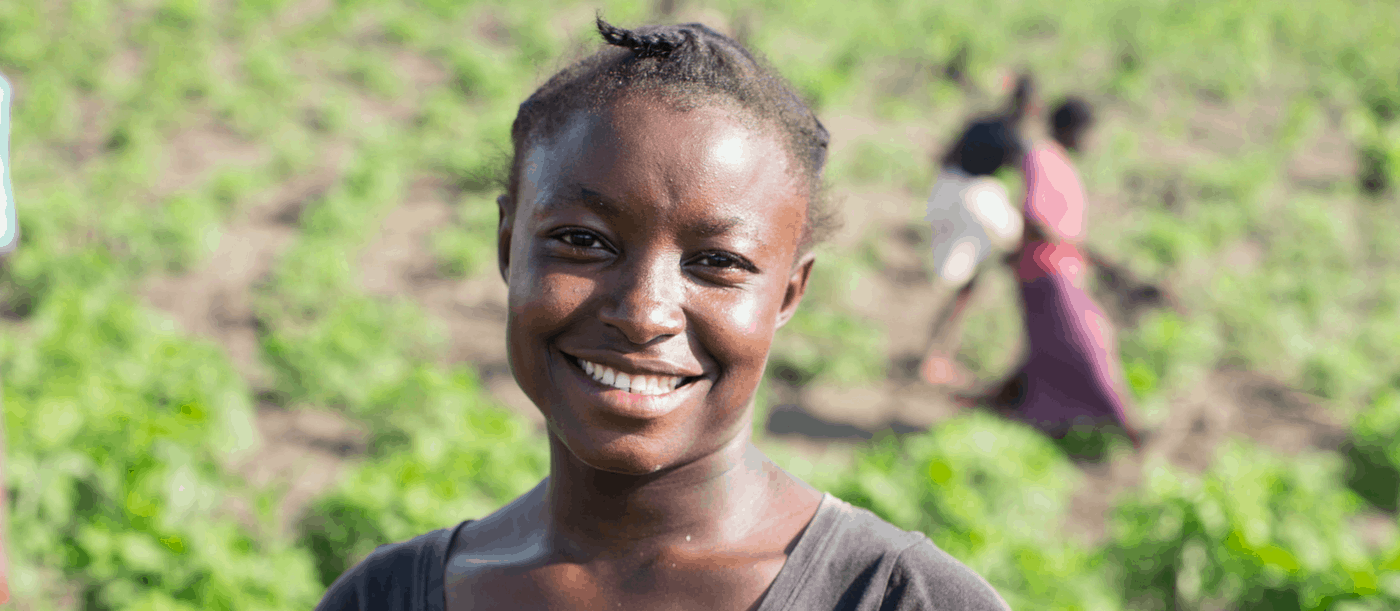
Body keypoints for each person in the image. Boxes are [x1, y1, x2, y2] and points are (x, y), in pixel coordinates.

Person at [314, 17, 1010, 611]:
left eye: (717, 262)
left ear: (789, 294)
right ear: (507, 246)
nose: (644, 313)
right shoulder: (387, 595)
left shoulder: (900, 598)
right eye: (583, 241)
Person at [972, 96, 1141, 448]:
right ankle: (1126, 425)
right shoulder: (1043, 158)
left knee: (1050, 350)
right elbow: (1036, 218)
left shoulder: (1058, 162)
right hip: (1047, 268)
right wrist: (1080, 249)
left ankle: (1009, 410)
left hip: (1058, 267)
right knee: (1087, 343)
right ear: (1075, 129)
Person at [919, 75, 1034, 387]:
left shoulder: (981, 123)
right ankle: (933, 354)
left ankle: (934, 353)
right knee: (963, 282)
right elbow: (1029, 180)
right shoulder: (1013, 137)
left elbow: (944, 156)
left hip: (945, 191)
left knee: (961, 279)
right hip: (974, 199)